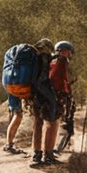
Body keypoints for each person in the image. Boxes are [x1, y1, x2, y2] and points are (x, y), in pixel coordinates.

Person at [29, 38, 62, 166]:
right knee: (50, 122)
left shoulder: (33, 58)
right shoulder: (44, 57)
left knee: (37, 124)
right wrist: (52, 98)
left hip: (33, 96)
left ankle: (36, 155)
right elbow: (43, 79)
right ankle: (47, 155)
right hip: (43, 95)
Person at [52, 41, 77, 151]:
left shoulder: (51, 61)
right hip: (62, 95)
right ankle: (59, 148)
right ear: (65, 51)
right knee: (66, 123)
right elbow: (67, 79)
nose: (70, 55)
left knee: (57, 121)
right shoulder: (62, 61)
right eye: (70, 52)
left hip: (54, 95)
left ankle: (57, 147)